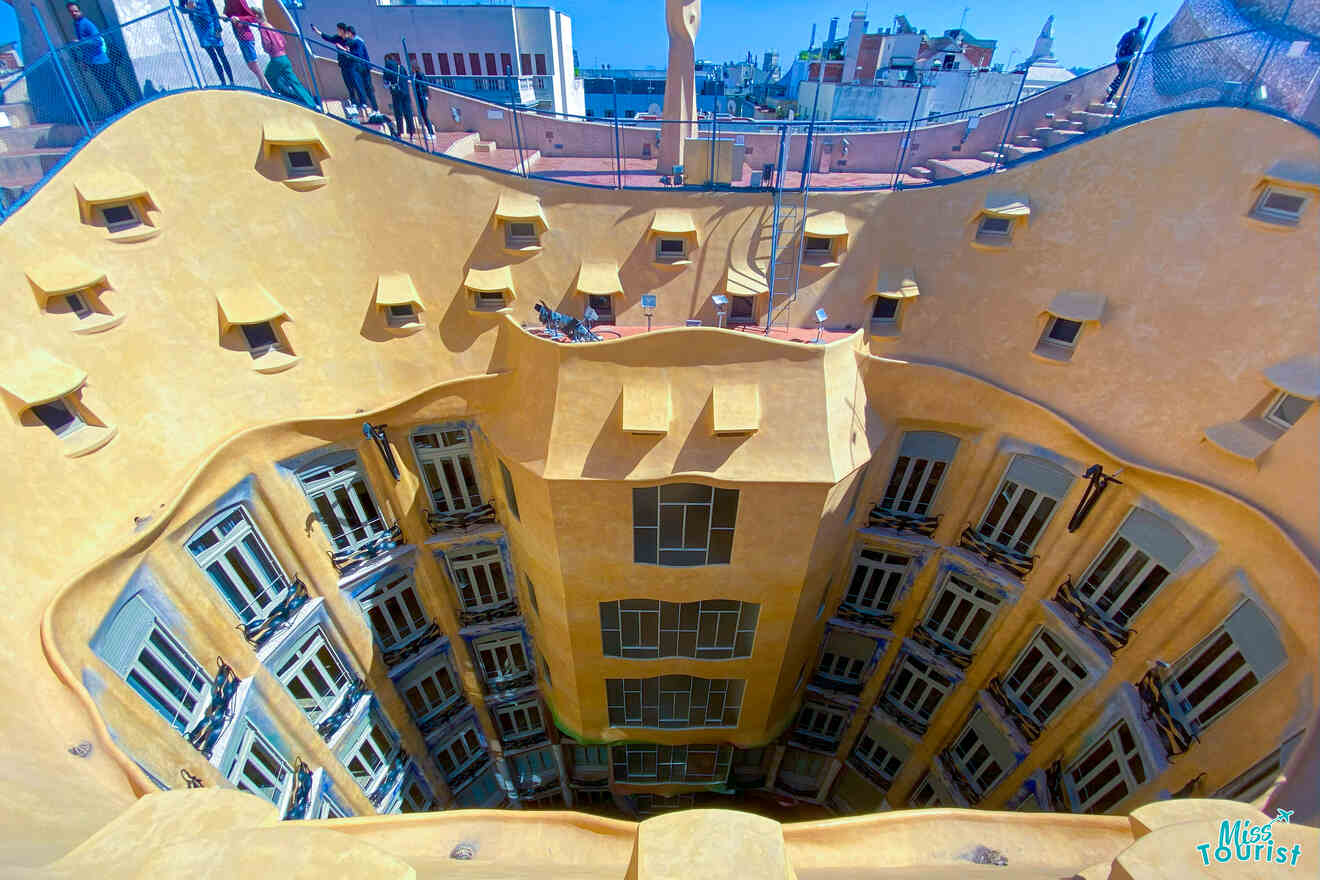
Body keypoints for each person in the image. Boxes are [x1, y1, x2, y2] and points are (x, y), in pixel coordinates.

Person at [65, 2, 131, 121]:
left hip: (102, 62)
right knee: (108, 88)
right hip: (93, 63)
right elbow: (85, 48)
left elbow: (97, 41)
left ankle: (125, 110)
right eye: (71, 12)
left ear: (80, 11)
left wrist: (80, 42)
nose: (74, 13)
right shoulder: (77, 24)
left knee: (113, 86)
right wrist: (85, 61)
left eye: (75, 11)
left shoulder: (86, 24)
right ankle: (121, 110)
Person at [252, 9, 314, 107]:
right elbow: (283, 40)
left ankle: (276, 97)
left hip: (276, 58)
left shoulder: (262, 27)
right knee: (294, 82)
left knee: (268, 77)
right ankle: (311, 103)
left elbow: (267, 43)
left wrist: (267, 49)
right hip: (284, 57)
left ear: (256, 16)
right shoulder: (270, 25)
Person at [311, 22, 365, 118]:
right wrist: (318, 32)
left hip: (351, 65)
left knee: (356, 83)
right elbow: (328, 38)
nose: (337, 31)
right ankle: (354, 103)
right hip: (343, 65)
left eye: (338, 30)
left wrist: (344, 49)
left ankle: (362, 102)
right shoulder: (337, 38)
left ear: (343, 30)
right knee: (349, 84)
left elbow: (354, 51)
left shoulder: (350, 40)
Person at [180, 0, 233, 86]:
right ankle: (223, 82)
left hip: (211, 26)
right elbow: (181, 8)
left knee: (222, 55)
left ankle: (231, 81)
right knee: (213, 58)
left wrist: (217, 27)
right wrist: (188, 9)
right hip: (200, 28)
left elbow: (213, 9)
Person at [223, 0, 271, 90]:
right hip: (240, 37)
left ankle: (267, 88)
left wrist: (239, 19)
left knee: (253, 64)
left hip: (246, 37)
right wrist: (226, 17)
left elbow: (252, 17)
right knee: (251, 66)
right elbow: (228, 13)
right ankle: (266, 88)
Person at [1106, 16, 1147, 103]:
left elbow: (1118, 45)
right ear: (1145, 24)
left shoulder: (1129, 32)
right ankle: (1109, 99)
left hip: (1119, 56)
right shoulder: (1141, 34)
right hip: (1127, 57)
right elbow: (1138, 48)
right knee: (1121, 77)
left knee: (1120, 75)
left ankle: (1111, 88)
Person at [344, 25, 378, 119]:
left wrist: (348, 52)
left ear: (350, 33)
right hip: (361, 67)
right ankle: (368, 106)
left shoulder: (358, 41)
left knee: (368, 89)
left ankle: (375, 109)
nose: (346, 35)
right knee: (363, 87)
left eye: (347, 33)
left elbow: (358, 54)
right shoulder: (355, 41)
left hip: (363, 68)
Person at [383, 54, 415, 139]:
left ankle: (400, 133)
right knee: (408, 112)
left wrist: (388, 85)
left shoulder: (387, 66)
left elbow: (385, 82)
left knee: (398, 112)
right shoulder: (401, 67)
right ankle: (411, 133)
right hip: (405, 91)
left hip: (396, 92)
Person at [411, 62, 434, 139]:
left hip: (422, 97)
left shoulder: (420, 75)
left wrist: (426, 94)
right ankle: (429, 132)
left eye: (412, 67)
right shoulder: (414, 75)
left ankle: (431, 133)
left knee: (425, 115)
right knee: (423, 115)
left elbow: (424, 85)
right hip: (419, 97)